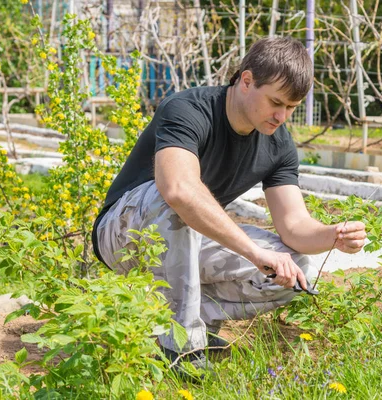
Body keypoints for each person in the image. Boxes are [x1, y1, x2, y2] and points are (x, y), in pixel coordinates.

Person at [91, 36, 367, 373]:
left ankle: (179, 325)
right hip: (124, 236)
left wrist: (333, 235)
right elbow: (177, 190)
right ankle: (179, 350)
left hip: (184, 240)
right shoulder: (188, 109)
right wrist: (253, 251)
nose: (282, 116)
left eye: (291, 107)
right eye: (276, 102)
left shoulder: (277, 144)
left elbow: (294, 226)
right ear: (247, 81)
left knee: (294, 269)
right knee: (178, 204)